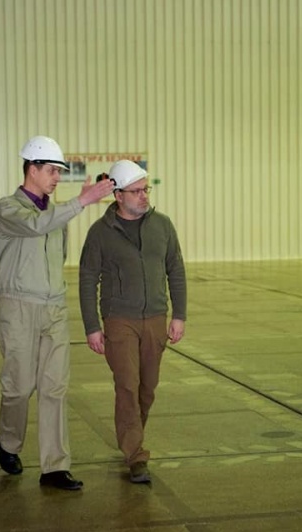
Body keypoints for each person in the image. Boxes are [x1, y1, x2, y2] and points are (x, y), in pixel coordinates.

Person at [0, 135, 113, 490]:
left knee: (54, 387)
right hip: (19, 308)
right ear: (32, 169)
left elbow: (58, 254)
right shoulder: (7, 209)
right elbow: (36, 225)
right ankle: (8, 441)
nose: (57, 177)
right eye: (52, 170)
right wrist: (82, 200)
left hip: (54, 307)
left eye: (59, 171)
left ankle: (55, 467)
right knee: (19, 387)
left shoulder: (57, 213)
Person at [79, 159, 186, 484]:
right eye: (136, 191)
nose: (144, 196)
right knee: (127, 385)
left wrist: (179, 314)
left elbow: (176, 270)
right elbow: (87, 279)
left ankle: (131, 434)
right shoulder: (100, 233)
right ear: (118, 196)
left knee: (147, 389)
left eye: (145, 189)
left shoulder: (163, 226)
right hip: (119, 320)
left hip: (155, 318)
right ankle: (136, 454)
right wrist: (92, 326)